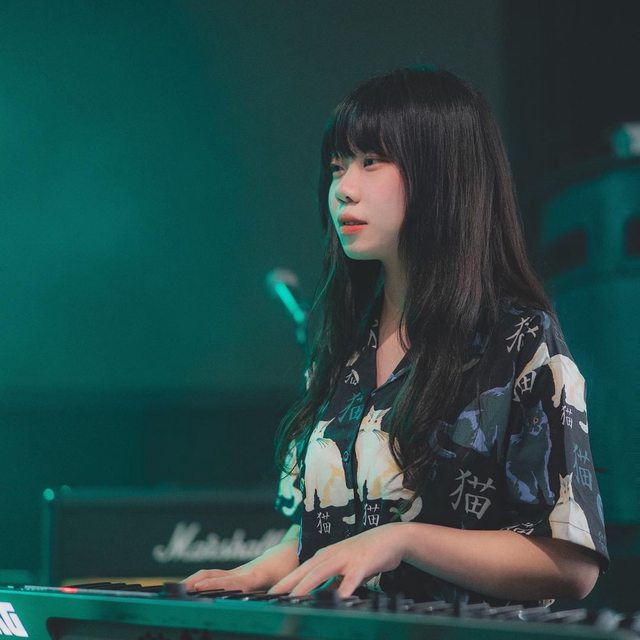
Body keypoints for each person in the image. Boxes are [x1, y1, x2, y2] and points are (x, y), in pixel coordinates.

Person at [183, 65, 609, 605]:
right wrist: (259, 572)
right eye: (337, 168)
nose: (343, 190)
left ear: (442, 174)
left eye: (371, 162)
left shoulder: (519, 340)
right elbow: (325, 529)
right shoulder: (342, 346)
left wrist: (403, 541)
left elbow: (572, 563)